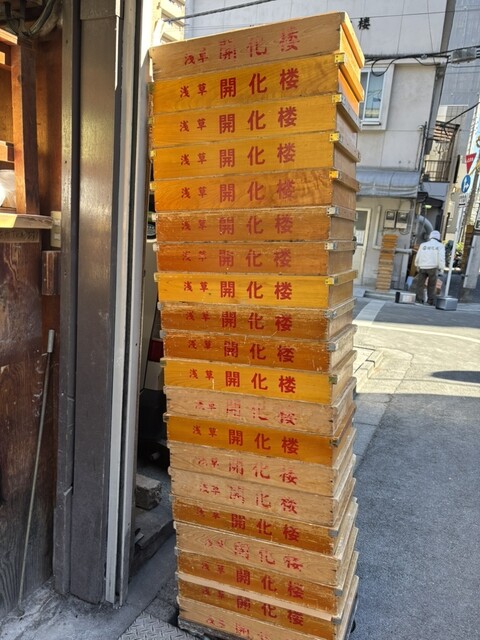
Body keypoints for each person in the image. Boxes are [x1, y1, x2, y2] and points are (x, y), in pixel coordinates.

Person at [412, 230, 446, 305]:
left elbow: (418, 256)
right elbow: (441, 258)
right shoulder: (440, 246)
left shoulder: (423, 245)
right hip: (433, 268)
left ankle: (419, 299)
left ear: (430, 236)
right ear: (438, 237)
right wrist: (442, 268)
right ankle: (430, 300)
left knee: (420, 284)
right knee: (431, 285)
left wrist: (417, 264)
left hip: (422, 267)